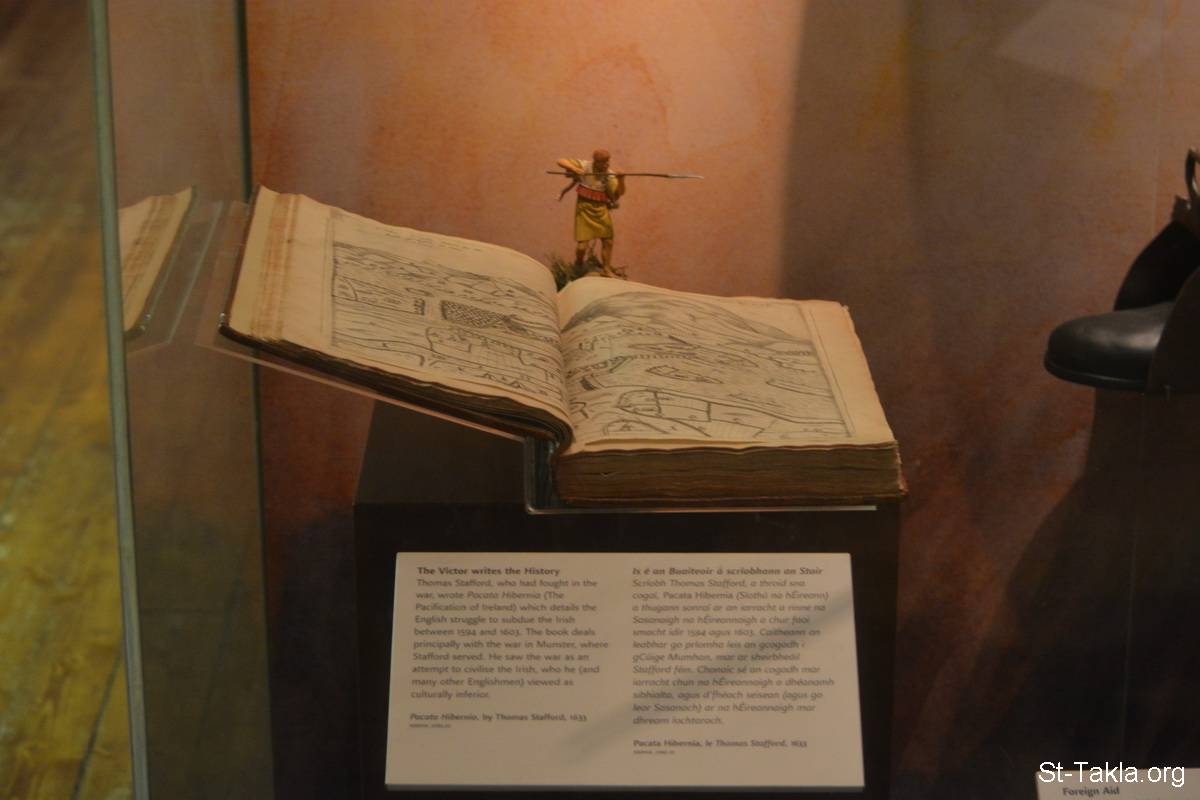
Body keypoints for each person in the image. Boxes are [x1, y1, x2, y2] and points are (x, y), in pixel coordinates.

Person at [557, 149, 626, 277]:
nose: (606, 164)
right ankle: (578, 263)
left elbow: (618, 193)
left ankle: (606, 269)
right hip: (584, 210)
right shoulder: (585, 166)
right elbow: (560, 161)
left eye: (607, 161)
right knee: (582, 247)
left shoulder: (609, 175)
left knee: (608, 241)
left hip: (601, 211)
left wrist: (621, 180)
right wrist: (575, 169)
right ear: (596, 161)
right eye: (603, 162)